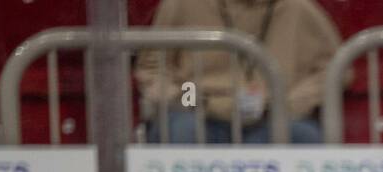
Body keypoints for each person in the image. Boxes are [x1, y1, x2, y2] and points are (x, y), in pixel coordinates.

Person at [135, 0, 342, 144]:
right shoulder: (181, 4)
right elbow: (152, 68)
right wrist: (187, 98)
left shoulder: (299, 8)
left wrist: (289, 101)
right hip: (199, 112)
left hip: (269, 117)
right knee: (182, 130)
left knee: (303, 135)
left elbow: (336, 69)